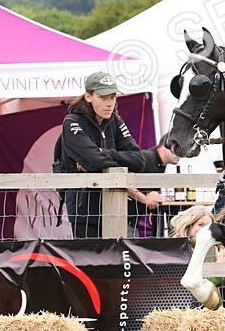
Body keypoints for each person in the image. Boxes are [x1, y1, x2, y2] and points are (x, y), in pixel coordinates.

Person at [58, 71, 179, 238]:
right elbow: (94, 159)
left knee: (117, 262)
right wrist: (111, 162)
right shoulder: (72, 122)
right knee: (89, 262)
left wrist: (103, 154)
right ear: (88, 97)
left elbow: (139, 160)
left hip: (116, 208)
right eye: (103, 97)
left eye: (113, 97)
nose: (109, 103)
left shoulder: (115, 121)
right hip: (85, 211)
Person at [169, 204, 225, 309]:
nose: (205, 230)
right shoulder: (175, 250)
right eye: (200, 225)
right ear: (188, 225)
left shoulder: (218, 249)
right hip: (179, 305)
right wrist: (224, 270)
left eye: (208, 227)